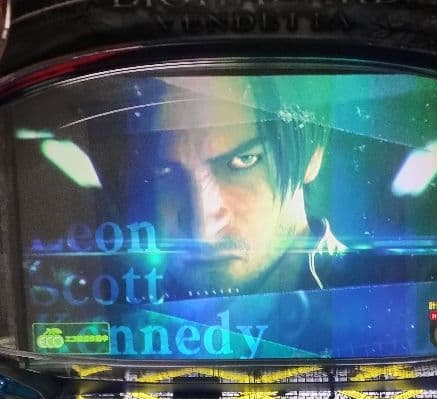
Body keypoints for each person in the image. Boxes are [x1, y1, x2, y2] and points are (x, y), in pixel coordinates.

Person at [138, 77, 345, 299]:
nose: (203, 231)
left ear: (313, 155)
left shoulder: (367, 293)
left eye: (244, 161)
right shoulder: (135, 301)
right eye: (165, 172)